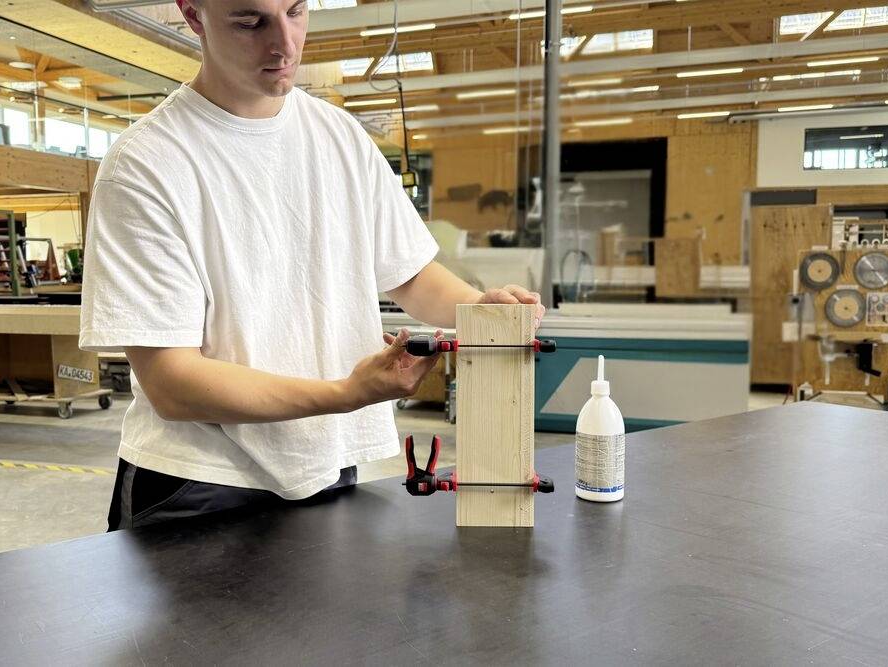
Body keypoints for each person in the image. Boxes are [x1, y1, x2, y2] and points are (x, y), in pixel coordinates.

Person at [79, 0, 545, 531]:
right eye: (250, 21)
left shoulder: (340, 137)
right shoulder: (145, 164)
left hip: (326, 464)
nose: (285, 44)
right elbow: (172, 383)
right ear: (192, 14)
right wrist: (347, 394)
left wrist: (480, 308)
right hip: (198, 482)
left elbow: (411, 274)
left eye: (296, 11)